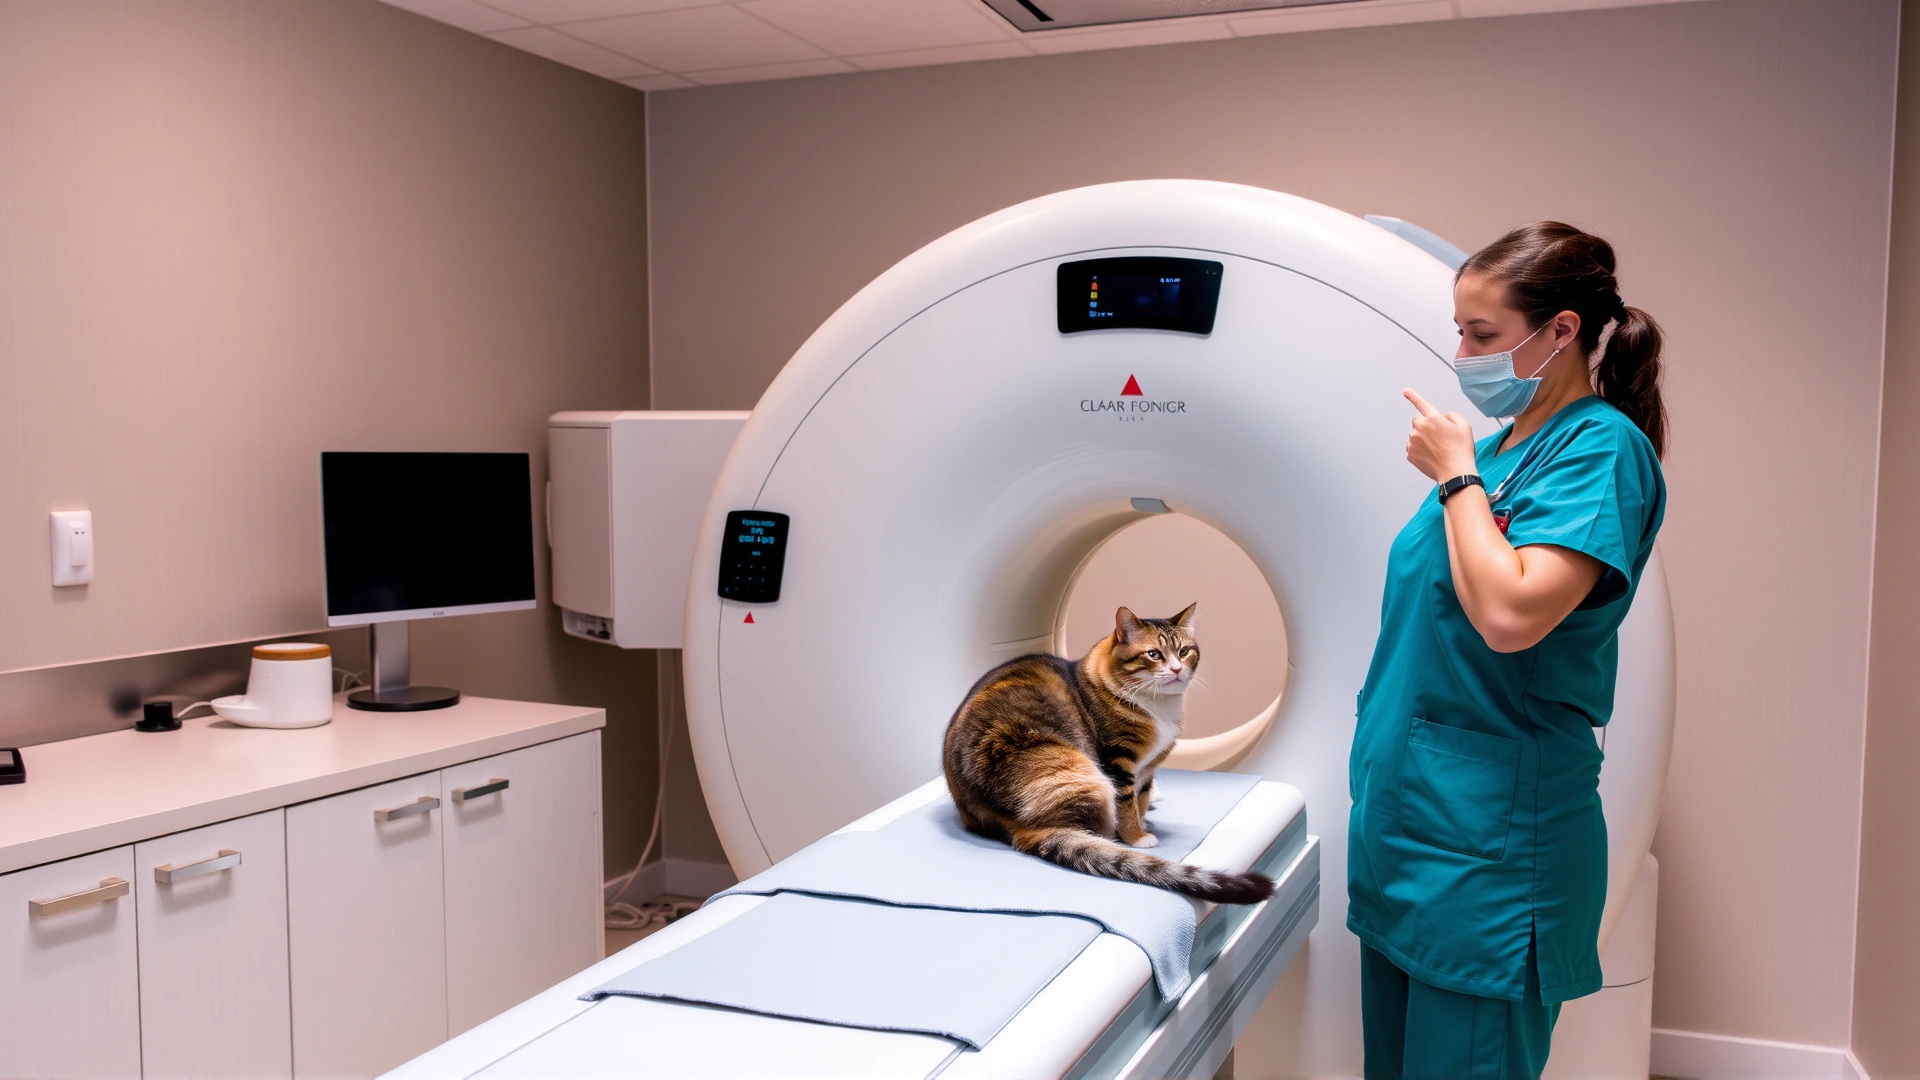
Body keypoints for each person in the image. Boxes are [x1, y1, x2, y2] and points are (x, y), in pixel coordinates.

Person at [1347, 222, 1669, 1078]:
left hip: (1491, 859)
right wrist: (1469, 472)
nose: (1462, 352)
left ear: (1562, 329)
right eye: (1459, 329)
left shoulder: (1601, 450)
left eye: (1482, 334)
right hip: (1407, 839)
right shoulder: (1497, 454)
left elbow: (1511, 615)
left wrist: (1456, 479)